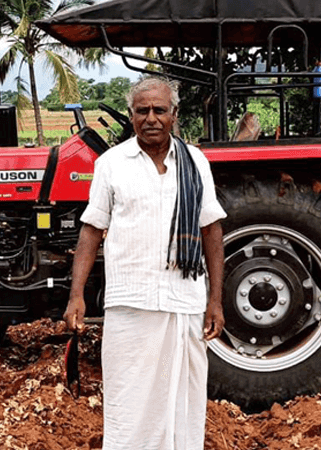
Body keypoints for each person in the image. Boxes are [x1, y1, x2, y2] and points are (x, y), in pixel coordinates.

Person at [65, 76, 227, 450]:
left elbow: (211, 231)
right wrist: (76, 295)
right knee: (128, 401)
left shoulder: (196, 162)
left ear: (174, 114)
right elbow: (91, 231)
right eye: (143, 111)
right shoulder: (111, 164)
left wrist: (215, 300)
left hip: (184, 301)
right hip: (130, 303)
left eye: (159, 110)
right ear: (131, 115)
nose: (151, 118)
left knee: (182, 405)